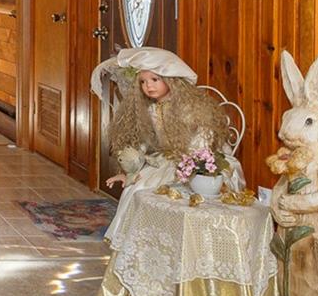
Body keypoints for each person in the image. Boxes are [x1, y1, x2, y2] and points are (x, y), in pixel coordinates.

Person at [89, 46, 243, 196]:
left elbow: (203, 138)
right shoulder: (151, 109)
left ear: (171, 80)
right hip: (166, 160)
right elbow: (145, 143)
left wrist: (190, 165)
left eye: (155, 79)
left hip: (198, 162)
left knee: (158, 188)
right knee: (137, 188)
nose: (148, 85)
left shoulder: (190, 107)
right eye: (142, 81)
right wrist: (130, 171)